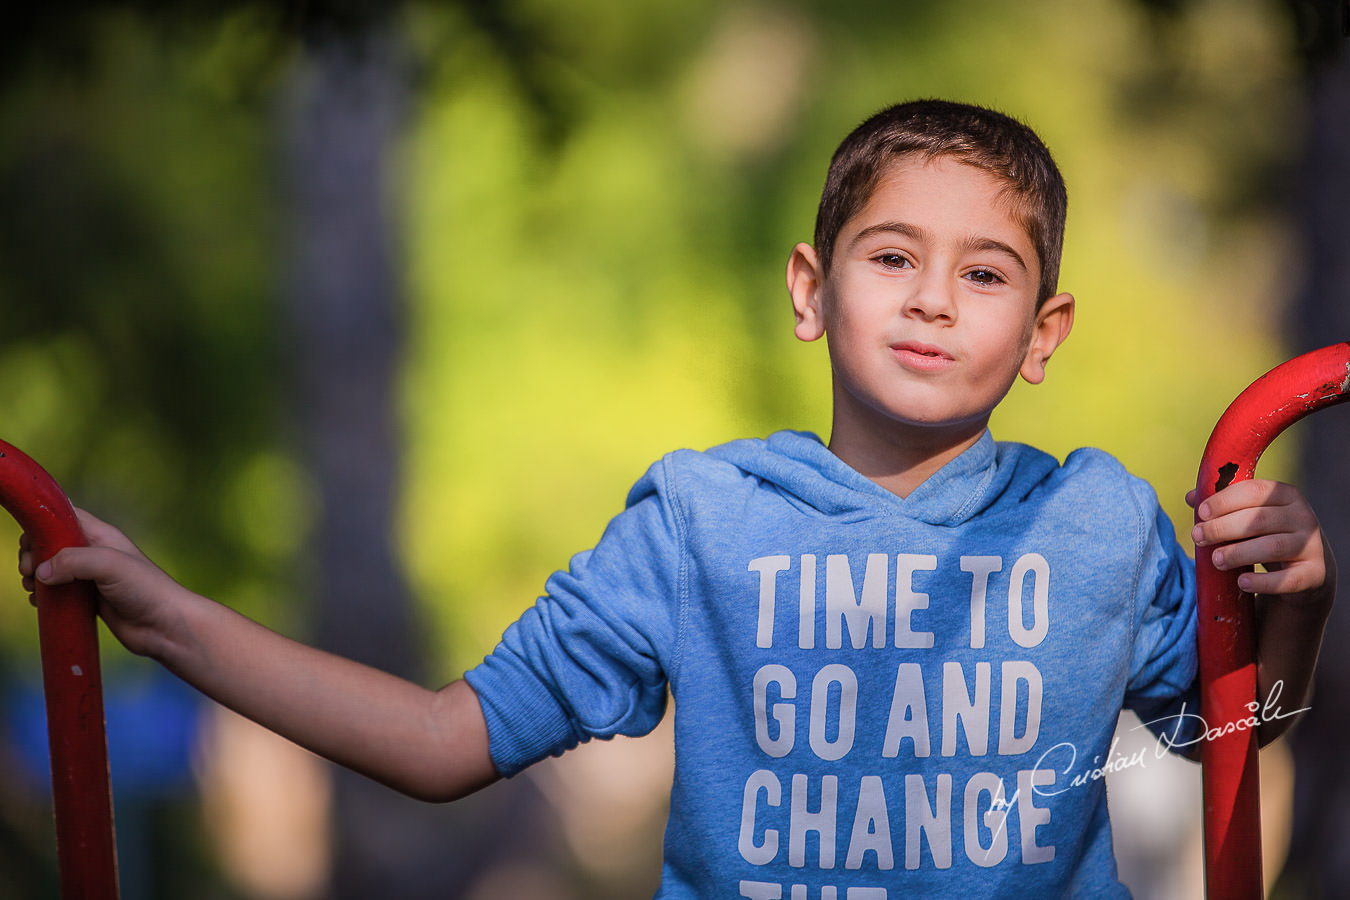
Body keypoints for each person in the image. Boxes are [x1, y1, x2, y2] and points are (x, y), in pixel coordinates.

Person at [20, 100, 1336, 897]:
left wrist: (1297, 599)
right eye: (893, 256)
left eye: (984, 274)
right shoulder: (703, 522)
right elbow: (438, 742)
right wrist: (169, 617)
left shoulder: (1099, 523)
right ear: (813, 292)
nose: (935, 297)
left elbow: (1238, 732)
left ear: (1043, 332)